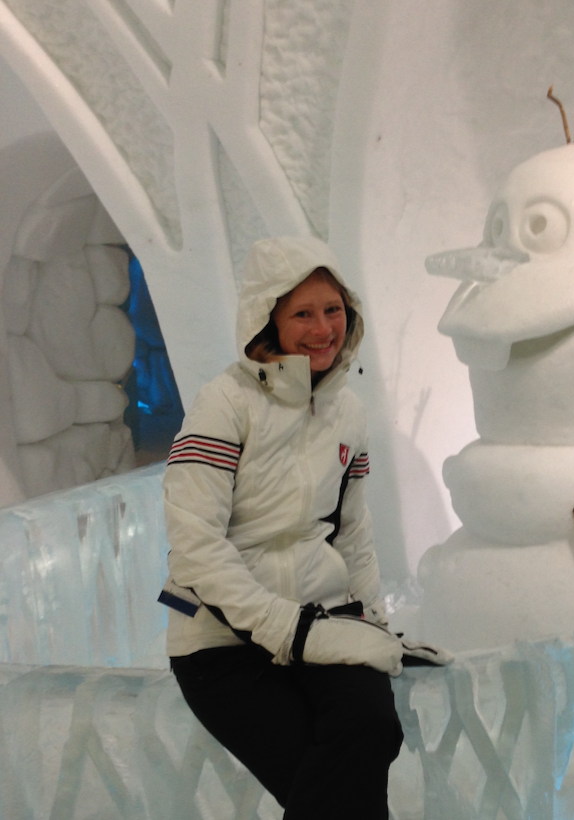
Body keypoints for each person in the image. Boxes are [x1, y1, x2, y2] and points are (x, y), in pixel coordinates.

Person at [159, 237, 406, 820]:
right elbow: (196, 543)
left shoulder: (349, 412)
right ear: (267, 317)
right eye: (303, 313)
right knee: (330, 784)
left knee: (372, 729)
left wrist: (370, 623)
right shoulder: (225, 403)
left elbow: (352, 532)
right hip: (221, 641)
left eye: (334, 310)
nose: (323, 329)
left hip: (321, 622)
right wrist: (281, 628)